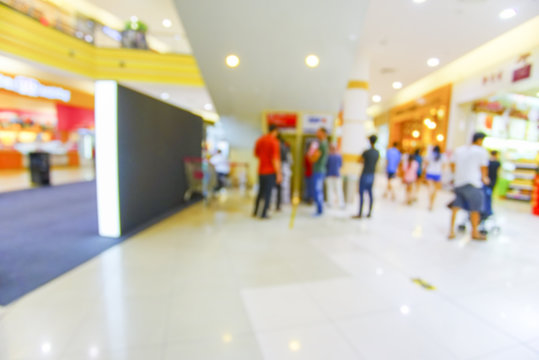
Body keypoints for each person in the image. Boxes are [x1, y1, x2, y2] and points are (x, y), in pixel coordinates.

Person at [449, 132, 490, 240]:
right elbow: (483, 168)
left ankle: (451, 231)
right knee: (475, 209)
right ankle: (475, 232)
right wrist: (485, 178)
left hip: (459, 183)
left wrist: (456, 175)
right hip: (473, 184)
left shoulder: (459, 150)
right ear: (480, 140)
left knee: (455, 207)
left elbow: (452, 165)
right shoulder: (481, 151)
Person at [253, 125, 282, 219]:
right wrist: (279, 174)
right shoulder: (274, 141)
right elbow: (275, 159)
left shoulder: (260, 140)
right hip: (270, 171)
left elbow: (256, 154)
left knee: (260, 192)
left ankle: (255, 211)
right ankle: (263, 213)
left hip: (261, 170)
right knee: (268, 193)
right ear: (275, 131)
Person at [353, 135, 380, 219]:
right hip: (372, 174)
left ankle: (360, 213)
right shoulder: (377, 152)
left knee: (361, 194)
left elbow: (359, 160)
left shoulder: (366, 152)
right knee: (370, 194)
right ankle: (369, 212)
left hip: (365, 174)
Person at [309, 128, 329, 216]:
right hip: (319, 170)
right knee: (318, 190)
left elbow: (314, 158)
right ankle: (319, 209)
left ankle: (319, 210)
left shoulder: (322, 144)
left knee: (317, 190)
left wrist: (311, 154)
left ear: (323, 133)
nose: (316, 133)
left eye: (318, 132)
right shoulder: (323, 144)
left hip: (319, 170)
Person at [424, 145, 445, 211]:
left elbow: (426, 163)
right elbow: (443, 166)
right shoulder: (442, 156)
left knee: (430, 189)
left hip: (430, 172)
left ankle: (430, 203)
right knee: (435, 190)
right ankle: (432, 203)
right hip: (437, 173)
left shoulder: (430, 155)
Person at [326, 144, 345, 208]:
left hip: (331, 175)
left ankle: (333, 203)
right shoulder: (338, 156)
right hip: (335, 175)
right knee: (336, 190)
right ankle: (339, 204)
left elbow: (327, 166)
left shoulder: (329, 156)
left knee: (332, 190)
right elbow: (340, 165)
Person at [485, 150, 501, 217]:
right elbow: (498, 171)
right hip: (493, 180)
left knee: (486, 194)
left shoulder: (487, 162)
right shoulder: (497, 162)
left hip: (486, 179)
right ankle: (488, 209)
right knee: (489, 194)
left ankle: (487, 208)